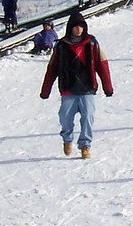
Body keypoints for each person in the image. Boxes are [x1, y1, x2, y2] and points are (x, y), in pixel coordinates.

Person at [40, 10, 113, 159]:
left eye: (81, 26)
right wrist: (45, 90)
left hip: (87, 87)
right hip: (68, 88)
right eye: (75, 26)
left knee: (88, 116)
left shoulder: (92, 43)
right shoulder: (61, 46)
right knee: (65, 117)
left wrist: (108, 87)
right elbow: (52, 68)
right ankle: (67, 139)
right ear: (70, 28)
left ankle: (85, 145)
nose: (78, 29)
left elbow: (102, 65)